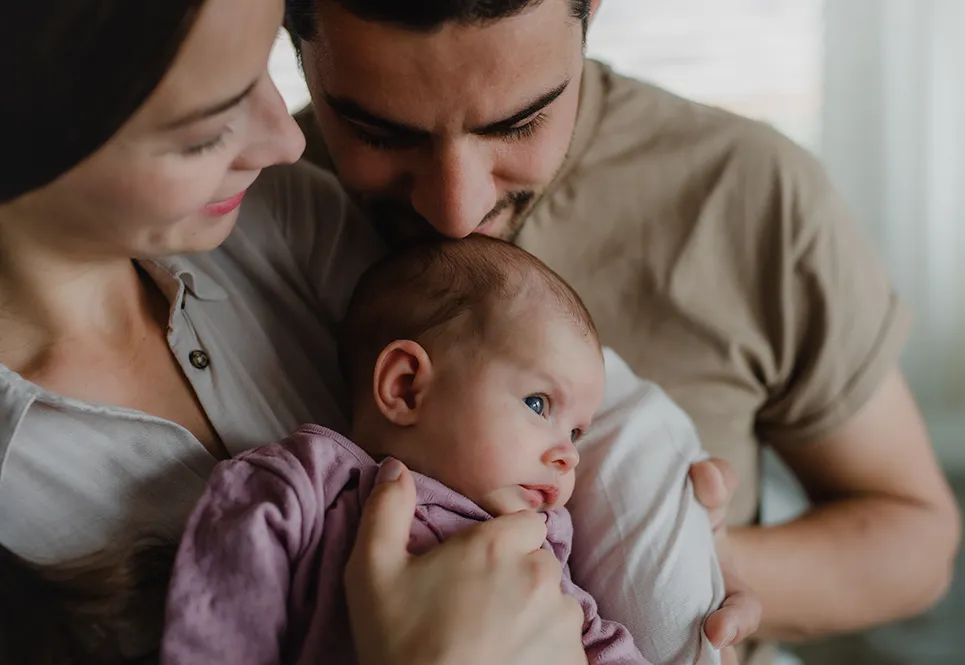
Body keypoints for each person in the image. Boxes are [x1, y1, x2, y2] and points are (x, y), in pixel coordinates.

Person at [0, 1, 753, 664]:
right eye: (205, 127)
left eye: (263, 72)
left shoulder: (281, 218)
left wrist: (683, 602)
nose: (285, 140)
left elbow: (586, 401)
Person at [285, 0, 962, 662]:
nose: (457, 210)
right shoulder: (239, 208)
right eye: (379, 133)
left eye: (518, 123)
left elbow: (916, 535)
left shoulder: (747, 190)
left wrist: (686, 561)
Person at [161, 235, 683, 665]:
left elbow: (596, 637)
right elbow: (218, 621)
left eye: (576, 433)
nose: (567, 455)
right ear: (407, 386)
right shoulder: (305, 485)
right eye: (538, 402)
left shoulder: (540, 541)